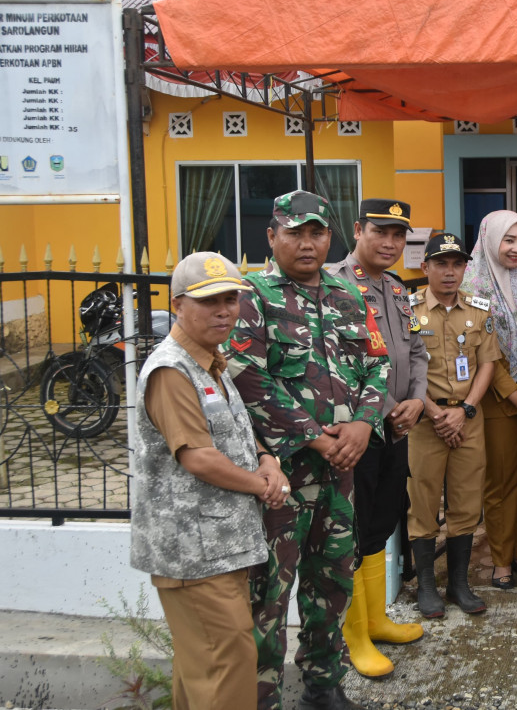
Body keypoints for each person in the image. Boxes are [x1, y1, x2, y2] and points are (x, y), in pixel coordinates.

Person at [228, 190, 390, 710]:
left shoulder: (347, 294)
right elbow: (248, 376)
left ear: (330, 238)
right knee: (269, 594)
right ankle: (262, 695)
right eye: (293, 232)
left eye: (316, 232)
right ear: (272, 237)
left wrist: (364, 424)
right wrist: (316, 437)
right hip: (281, 477)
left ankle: (322, 680)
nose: (306, 243)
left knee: (333, 579)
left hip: (341, 470)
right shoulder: (251, 295)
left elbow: (377, 363)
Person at [131, 251, 289, 710]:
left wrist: (266, 458)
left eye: (231, 299)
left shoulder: (209, 363)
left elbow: (235, 431)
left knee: (205, 669)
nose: (225, 311)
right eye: (210, 301)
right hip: (194, 552)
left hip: (219, 546)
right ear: (178, 304)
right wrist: (264, 486)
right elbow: (198, 457)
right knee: (227, 665)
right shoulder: (172, 369)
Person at [332, 198, 426, 679]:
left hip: (398, 427)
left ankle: (375, 619)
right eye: (381, 232)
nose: (390, 243)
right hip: (358, 429)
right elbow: (341, 365)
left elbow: (417, 350)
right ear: (358, 230)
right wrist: (390, 409)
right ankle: (354, 635)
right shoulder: (334, 285)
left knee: (383, 519)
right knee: (354, 523)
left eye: (398, 236)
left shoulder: (397, 288)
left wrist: (416, 401)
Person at [407, 233, 501, 617]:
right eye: (441, 264)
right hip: (425, 420)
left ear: (466, 267)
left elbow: (488, 364)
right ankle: (426, 586)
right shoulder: (408, 309)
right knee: (423, 501)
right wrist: (435, 412)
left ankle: (459, 584)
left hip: (467, 419)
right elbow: (405, 370)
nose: (449, 272)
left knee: (466, 500)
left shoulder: (479, 311)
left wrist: (465, 410)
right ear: (425, 266)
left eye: (457, 264)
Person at [460, 211, 517, 590]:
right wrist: (515, 396)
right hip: (498, 395)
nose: (516, 248)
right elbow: (482, 347)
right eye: (508, 240)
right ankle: (500, 559)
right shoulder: (472, 285)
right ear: (490, 239)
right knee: (501, 480)